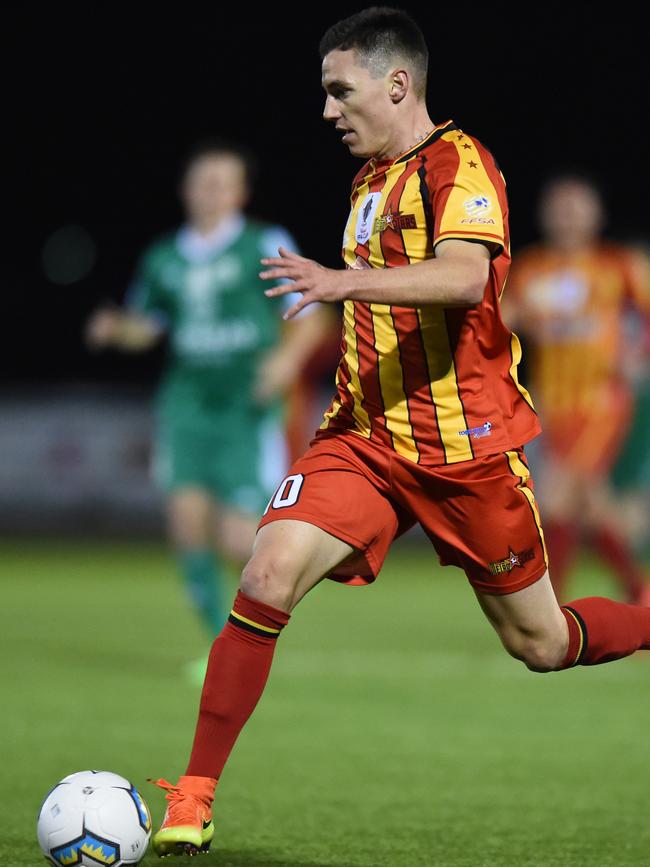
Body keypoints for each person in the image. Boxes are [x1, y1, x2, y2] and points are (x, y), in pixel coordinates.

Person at [148, 8, 650, 858]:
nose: (327, 110)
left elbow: (463, 277)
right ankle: (192, 795)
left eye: (339, 91)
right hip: (366, 440)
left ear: (397, 84)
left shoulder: (461, 162)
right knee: (267, 569)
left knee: (543, 640)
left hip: (467, 451)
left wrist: (342, 283)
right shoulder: (368, 181)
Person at [86, 140, 328, 656]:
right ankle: (225, 646)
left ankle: (290, 589)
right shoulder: (164, 258)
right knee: (189, 526)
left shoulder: (263, 242)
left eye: (222, 182)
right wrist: (114, 329)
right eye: (202, 181)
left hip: (248, 408)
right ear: (185, 189)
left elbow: (313, 316)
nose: (211, 192)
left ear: (241, 192)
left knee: (241, 540)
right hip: (186, 404)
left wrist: (285, 362)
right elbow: (147, 330)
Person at [503, 175, 650, 605]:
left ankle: (552, 608)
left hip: (602, 402)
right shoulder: (532, 269)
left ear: (595, 214)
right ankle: (639, 595)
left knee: (561, 495)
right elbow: (499, 322)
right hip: (553, 403)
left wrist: (636, 355)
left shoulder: (618, 265)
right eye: (559, 208)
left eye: (576, 207)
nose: (567, 217)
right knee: (590, 505)